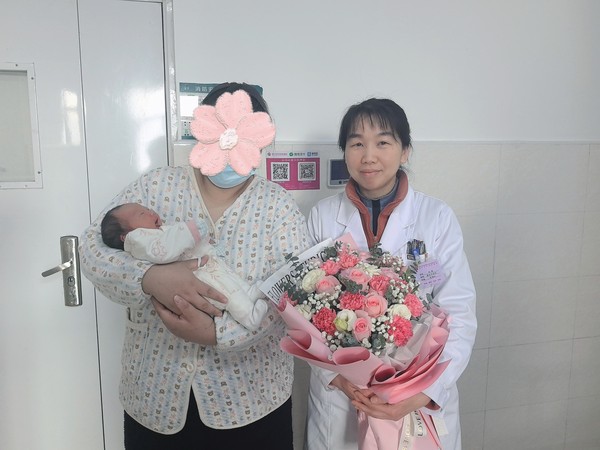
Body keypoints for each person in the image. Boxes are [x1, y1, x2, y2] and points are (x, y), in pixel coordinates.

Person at [79, 82, 309, 450]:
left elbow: (292, 291)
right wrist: (149, 277)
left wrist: (220, 334)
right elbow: (92, 247)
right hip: (156, 399)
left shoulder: (278, 206)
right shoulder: (155, 187)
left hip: (252, 401)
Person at [305, 98, 477, 450]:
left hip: (416, 395)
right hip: (343, 397)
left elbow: (458, 310)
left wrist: (424, 391)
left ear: (405, 151)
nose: (369, 156)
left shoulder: (435, 218)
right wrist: (338, 378)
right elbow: (303, 314)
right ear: (345, 152)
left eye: (383, 142)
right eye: (357, 144)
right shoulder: (322, 217)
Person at [100, 202, 268, 331]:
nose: (151, 212)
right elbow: (165, 249)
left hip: (205, 266)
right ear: (125, 236)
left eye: (147, 209)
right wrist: (191, 230)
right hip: (198, 277)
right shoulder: (139, 240)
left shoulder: (156, 233)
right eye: (142, 213)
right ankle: (249, 317)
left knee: (229, 279)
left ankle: (249, 293)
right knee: (225, 293)